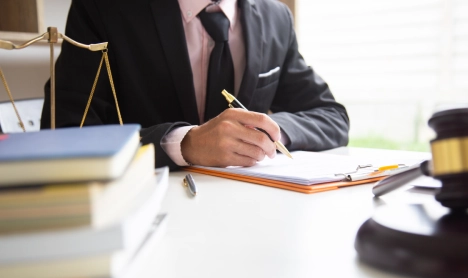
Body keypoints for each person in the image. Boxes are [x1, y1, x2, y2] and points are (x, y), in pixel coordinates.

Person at [41, 0, 349, 170]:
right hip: (145, 217)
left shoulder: (276, 16)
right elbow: (65, 135)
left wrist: (267, 131)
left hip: (253, 217)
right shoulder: (101, 8)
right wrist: (183, 143)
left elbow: (331, 117)